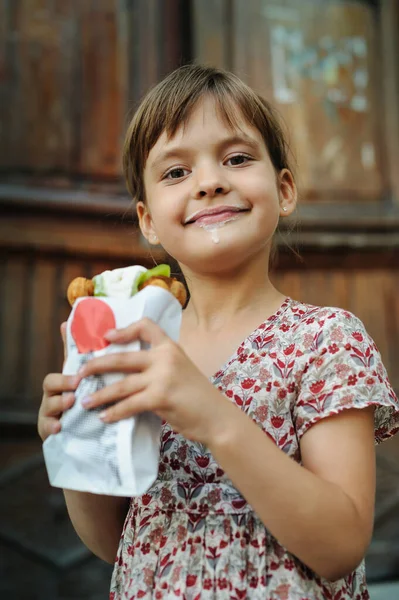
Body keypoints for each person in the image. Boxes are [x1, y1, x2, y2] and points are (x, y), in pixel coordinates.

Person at [38, 64, 399, 599]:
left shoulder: (326, 339)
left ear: (285, 190)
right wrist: (78, 443)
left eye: (237, 159)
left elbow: (340, 546)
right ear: (148, 221)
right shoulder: (135, 346)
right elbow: (115, 541)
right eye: (175, 172)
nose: (209, 181)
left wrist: (212, 416)